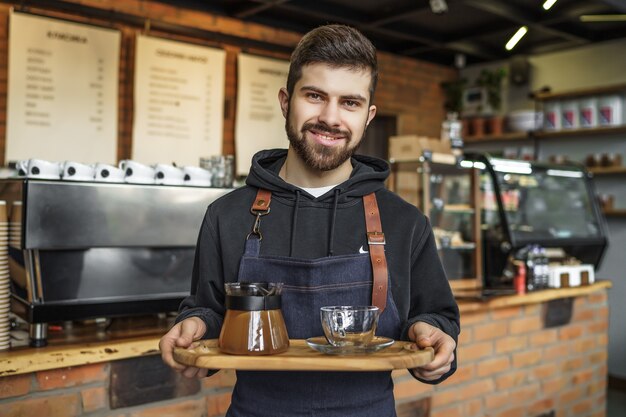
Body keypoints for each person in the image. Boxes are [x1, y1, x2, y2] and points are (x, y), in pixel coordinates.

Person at [160, 24, 459, 417]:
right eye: (315, 96)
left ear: (368, 116)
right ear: (286, 101)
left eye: (349, 103)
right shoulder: (227, 216)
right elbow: (211, 311)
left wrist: (435, 337)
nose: (330, 118)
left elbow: (436, 317)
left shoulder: (404, 222)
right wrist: (195, 326)